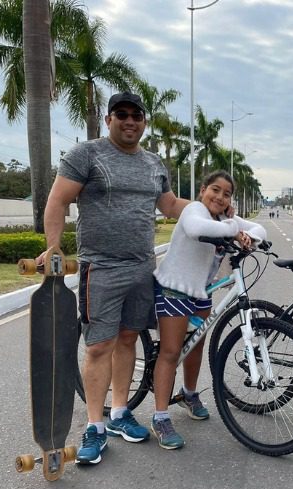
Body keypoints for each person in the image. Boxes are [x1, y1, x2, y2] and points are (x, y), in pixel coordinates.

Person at [40, 91, 190, 465]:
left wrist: (210, 206)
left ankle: (121, 414)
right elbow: (58, 200)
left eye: (136, 116)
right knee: (98, 346)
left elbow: (169, 205)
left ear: (144, 122)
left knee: (128, 340)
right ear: (108, 120)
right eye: (121, 114)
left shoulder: (154, 163)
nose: (129, 121)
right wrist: (54, 247)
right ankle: (95, 425)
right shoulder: (86, 155)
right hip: (101, 267)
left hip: (142, 266)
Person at [150, 171, 266, 449]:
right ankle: (160, 416)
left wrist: (245, 234)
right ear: (203, 190)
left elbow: (260, 231)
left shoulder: (223, 220)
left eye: (227, 194)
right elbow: (195, 229)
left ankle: (189, 393)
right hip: (174, 289)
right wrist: (233, 230)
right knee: (170, 351)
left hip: (201, 293)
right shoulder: (194, 209)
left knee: (196, 345)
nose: (220, 196)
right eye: (215, 190)